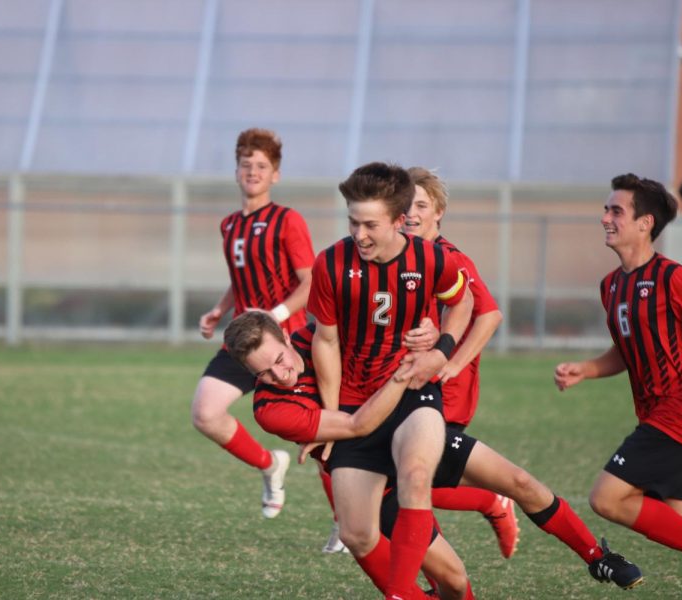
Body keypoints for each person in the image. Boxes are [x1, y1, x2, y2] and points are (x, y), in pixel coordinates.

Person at [403, 167, 643, 589]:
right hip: (394, 406)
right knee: (408, 491)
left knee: (499, 482)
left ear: (439, 212)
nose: (409, 213)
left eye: (420, 205)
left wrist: (450, 362)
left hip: (438, 403)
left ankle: (595, 556)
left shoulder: (448, 258)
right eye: (403, 205)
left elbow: (489, 313)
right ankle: (422, 578)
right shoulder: (384, 260)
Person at [308, 162, 474, 600]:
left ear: (400, 221)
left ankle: (399, 593)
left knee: (416, 475)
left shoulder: (432, 258)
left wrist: (441, 350)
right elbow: (325, 342)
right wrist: (329, 418)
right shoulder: (330, 264)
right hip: (356, 406)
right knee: (358, 534)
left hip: (412, 393)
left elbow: (463, 301)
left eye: (370, 225)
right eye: (352, 221)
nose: (359, 234)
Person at [224, 311, 473, 599]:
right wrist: (403, 376)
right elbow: (358, 425)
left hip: (405, 444)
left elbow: (394, 325)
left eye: (279, 360)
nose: (280, 376)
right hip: (374, 485)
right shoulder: (270, 409)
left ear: (286, 336)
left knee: (455, 576)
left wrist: (427, 328)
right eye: (263, 373)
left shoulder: (327, 335)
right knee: (448, 578)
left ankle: (495, 504)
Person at [554, 173, 682, 594]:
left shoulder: (675, 279)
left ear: (645, 223)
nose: (605, 217)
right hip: (657, 415)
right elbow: (628, 351)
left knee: (607, 498)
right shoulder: (612, 286)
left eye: (616, 210)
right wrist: (586, 368)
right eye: (606, 209)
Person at [190, 128, 315, 518]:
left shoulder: (287, 220)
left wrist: (274, 316)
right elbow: (242, 275)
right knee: (205, 414)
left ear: (275, 174)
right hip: (244, 344)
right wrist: (220, 308)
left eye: (262, 165)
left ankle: (346, 521)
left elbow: (310, 282)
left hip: (286, 343)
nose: (253, 171)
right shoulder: (229, 226)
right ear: (237, 171)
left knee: (322, 432)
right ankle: (268, 465)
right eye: (247, 164)